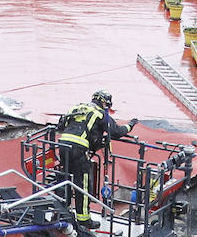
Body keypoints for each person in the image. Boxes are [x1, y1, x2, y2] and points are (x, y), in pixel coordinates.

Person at [56, 90, 137, 229]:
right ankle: (84, 219)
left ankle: (62, 211)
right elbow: (116, 131)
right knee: (83, 184)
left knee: (65, 179)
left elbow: (62, 126)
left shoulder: (77, 108)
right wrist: (130, 125)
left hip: (63, 145)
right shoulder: (99, 113)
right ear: (104, 102)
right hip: (79, 149)